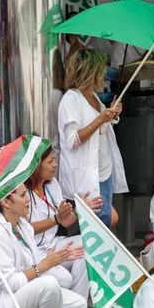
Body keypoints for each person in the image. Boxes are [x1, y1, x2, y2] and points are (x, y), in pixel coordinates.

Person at [59, 48, 124, 226]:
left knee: (105, 219)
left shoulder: (93, 96)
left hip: (104, 170)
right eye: (101, 71)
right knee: (97, 224)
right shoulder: (71, 99)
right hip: (88, 173)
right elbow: (73, 141)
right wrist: (100, 118)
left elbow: (100, 130)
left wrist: (111, 114)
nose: (104, 75)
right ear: (91, 72)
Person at [24, 147, 91, 305]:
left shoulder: (52, 184)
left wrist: (79, 210)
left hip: (53, 243)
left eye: (54, 159)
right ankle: (66, 305)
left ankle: (79, 303)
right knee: (64, 280)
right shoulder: (22, 191)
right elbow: (24, 229)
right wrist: (56, 218)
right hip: (32, 251)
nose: (55, 165)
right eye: (50, 161)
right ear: (36, 166)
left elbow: (64, 221)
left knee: (87, 243)